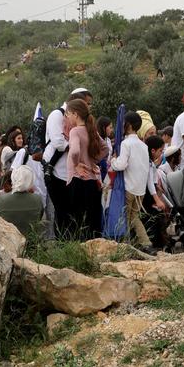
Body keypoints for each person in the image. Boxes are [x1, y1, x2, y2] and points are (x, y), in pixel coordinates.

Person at [45, 89, 93, 233]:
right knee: (61, 210)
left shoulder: (79, 122)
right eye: (86, 104)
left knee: (73, 211)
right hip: (56, 171)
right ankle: (62, 243)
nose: (88, 108)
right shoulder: (56, 115)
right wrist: (75, 146)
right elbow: (58, 142)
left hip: (71, 172)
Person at [108, 111, 155, 252]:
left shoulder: (126, 144)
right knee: (134, 217)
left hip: (128, 188)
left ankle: (126, 246)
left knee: (125, 219)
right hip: (140, 189)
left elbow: (121, 165)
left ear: (127, 125)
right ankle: (146, 243)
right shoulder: (143, 145)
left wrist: (113, 160)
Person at [64, 98, 108, 240]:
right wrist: (93, 161)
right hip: (92, 180)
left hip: (78, 180)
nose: (67, 117)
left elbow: (75, 151)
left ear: (75, 114)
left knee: (77, 221)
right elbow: (105, 148)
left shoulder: (75, 131)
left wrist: (76, 164)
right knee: (92, 220)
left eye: (68, 114)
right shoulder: (91, 130)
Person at [0, 165, 43, 238]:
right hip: (31, 242)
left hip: (7, 242)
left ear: (13, 179)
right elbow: (39, 218)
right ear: (31, 180)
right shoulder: (37, 199)